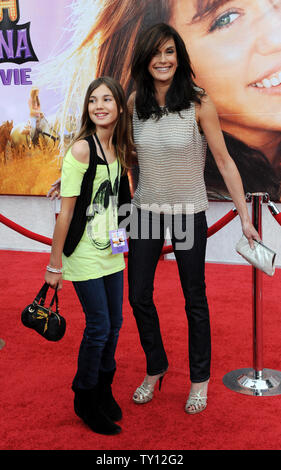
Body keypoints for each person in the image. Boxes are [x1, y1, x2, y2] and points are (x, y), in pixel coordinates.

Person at [126, 23, 260, 414]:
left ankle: (198, 380)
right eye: (155, 53)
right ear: (144, 59)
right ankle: (156, 367)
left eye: (169, 52)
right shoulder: (136, 102)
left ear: (179, 57)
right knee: (137, 295)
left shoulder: (199, 101)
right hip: (146, 210)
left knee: (193, 298)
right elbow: (116, 151)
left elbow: (223, 160)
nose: (162, 60)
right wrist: (73, 174)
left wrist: (244, 218)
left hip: (188, 212)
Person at [44, 0, 281, 202]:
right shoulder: (142, 106)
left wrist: (245, 220)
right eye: (226, 19)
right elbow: (117, 147)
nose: (276, 36)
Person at [44, 76, 133, 435]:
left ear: (120, 107)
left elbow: (115, 201)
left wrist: (121, 248)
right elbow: (65, 213)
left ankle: (103, 389)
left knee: (115, 325)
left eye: (107, 99)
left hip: (111, 250)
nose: (99, 105)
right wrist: (54, 265)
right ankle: (84, 397)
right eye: (93, 100)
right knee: (98, 327)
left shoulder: (118, 149)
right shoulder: (83, 148)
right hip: (81, 254)